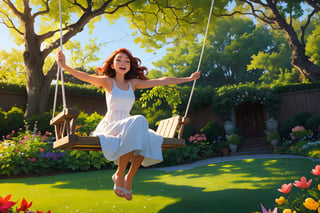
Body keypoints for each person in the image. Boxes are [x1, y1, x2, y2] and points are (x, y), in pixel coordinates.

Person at [56, 48, 200, 200]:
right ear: (112, 65)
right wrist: (65, 66)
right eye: (118, 60)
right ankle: (119, 173)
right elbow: (84, 76)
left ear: (130, 66)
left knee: (147, 135)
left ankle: (129, 177)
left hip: (129, 123)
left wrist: (188, 79)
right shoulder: (107, 81)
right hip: (111, 124)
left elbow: (161, 81)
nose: (123, 63)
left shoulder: (133, 83)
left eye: (126, 61)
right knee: (140, 121)